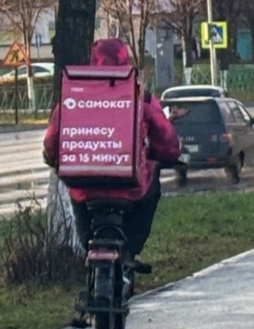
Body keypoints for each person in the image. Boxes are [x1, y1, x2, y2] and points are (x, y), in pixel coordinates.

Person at [42, 38, 182, 272]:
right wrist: (164, 156)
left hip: (85, 188)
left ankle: (91, 250)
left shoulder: (74, 93)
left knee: (81, 210)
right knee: (152, 183)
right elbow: (167, 142)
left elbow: (52, 140)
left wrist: (54, 158)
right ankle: (130, 250)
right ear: (124, 59)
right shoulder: (141, 96)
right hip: (131, 188)